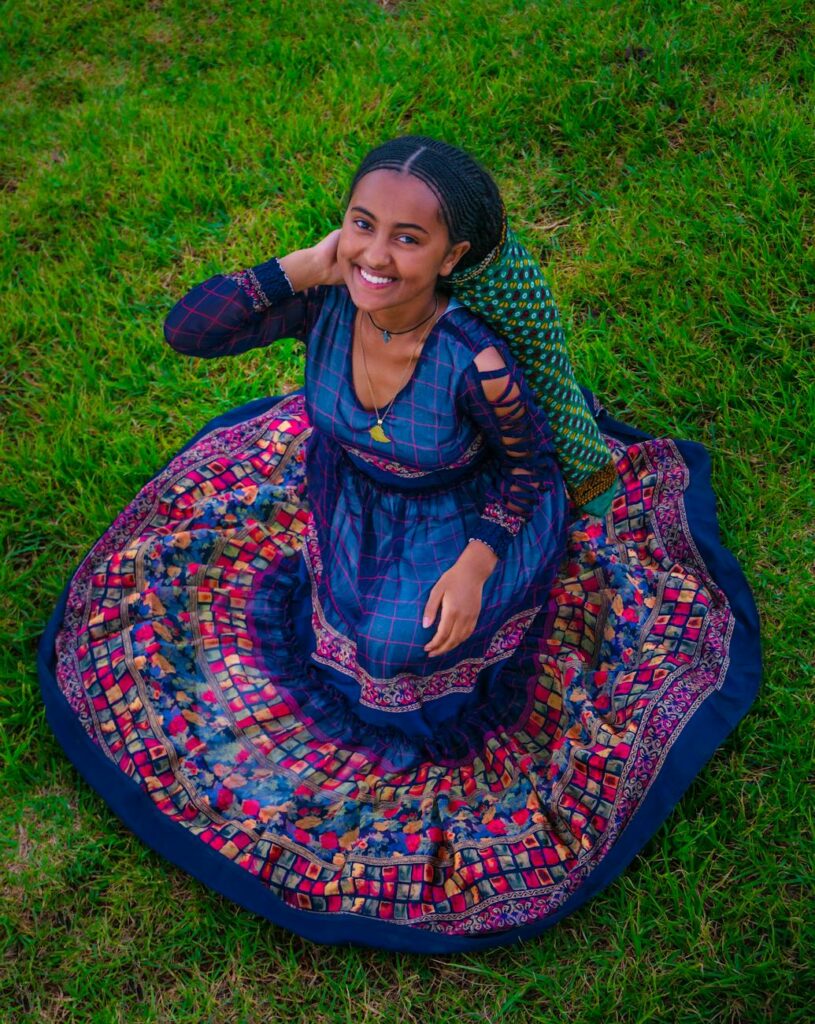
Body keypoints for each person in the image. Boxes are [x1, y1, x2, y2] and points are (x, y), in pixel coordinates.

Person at [38, 136, 761, 954]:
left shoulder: (474, 364)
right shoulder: (328, 304)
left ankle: (450, 677)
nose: (375, 255)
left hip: (464, 510)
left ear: (451, 255)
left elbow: (529, 472)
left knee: (397, 644)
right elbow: (188, 331)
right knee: (347, 619)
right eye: (361, 224)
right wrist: (304, 266)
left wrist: (474, 563)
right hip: (349, 495)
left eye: (406, 238)